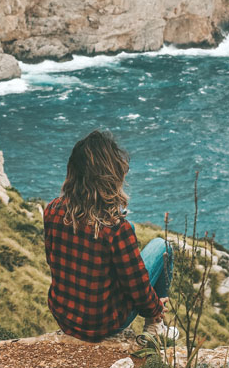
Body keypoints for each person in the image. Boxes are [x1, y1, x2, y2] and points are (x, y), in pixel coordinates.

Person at [42, 130, 179, 343]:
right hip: (103, 324)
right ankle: (156, 324)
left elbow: (54, 261)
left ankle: (155, 321)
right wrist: (156, 307)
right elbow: (139, 291)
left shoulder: (52, 209)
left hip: (66, 317)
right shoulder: (115, 228)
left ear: (73, 171)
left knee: (131, 230)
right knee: (163, 247)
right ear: (111, 176)